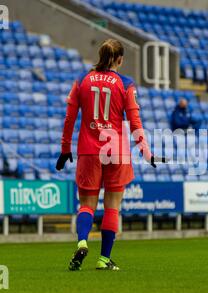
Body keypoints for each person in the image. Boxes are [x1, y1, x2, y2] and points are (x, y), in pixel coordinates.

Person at [56, 39, 165, 271]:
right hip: (116, 152)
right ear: (119, 59)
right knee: (112, 206)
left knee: (86, 204)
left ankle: (83, 241)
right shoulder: (126, 84)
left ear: (100, 55)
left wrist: (65, 148)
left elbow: (69, 118)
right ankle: (104, 259)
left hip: (88, 150)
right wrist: (147, 152)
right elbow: (135, 123)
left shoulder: (82, 80)